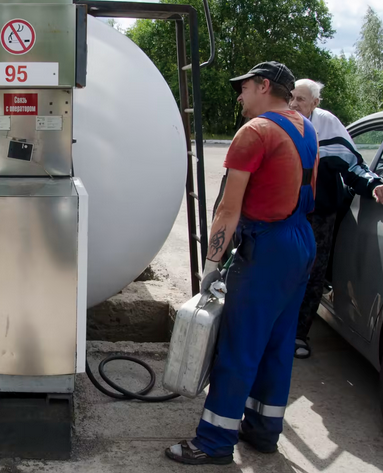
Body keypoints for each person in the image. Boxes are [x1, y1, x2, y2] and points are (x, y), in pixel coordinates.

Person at [165, 62, 317, 465]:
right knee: (278, 343)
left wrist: (211, 265)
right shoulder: (306, 127)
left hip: (266, 248)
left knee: (239, 346)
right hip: (300, 241)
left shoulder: (255, 132)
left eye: (245, 87)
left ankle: (214, 442)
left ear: (264, 86)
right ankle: (263, 432)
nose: (239, 95)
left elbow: (229, 211)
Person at [289, 79, 383, 358]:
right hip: (285, 212)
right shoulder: (282, 122)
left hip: (319, 214)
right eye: (292, 97)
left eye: (301, 99)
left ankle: (298, 334)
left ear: (315, 103)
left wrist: (374, 185)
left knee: (311, 273)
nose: (295, 104)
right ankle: (274, 330)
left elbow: (353, 166)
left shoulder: (327, 126)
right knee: (282, 270)